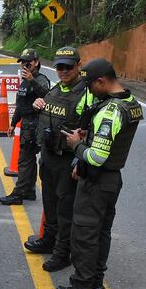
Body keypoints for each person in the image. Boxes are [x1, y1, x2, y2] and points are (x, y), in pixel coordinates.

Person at [55, 59, 143, 289]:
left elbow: (97, 157)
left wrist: (76, 145)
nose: (90, 92)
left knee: (84, 233)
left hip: (97, 181)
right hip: (112, 180)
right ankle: (95, 279)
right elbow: (111, 140)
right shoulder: (130, 102)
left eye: (91, 86)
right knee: (101, 231)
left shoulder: (110, 111)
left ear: (101, 81)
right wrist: (89, 135)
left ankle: (81, 287)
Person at [23, 47, 95, 272]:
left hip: (67, 159)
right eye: (59, 67)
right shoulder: (56, 88)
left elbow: (91, 131)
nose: (63, 71)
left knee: (65, 209)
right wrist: (38, 105)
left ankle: (63, 253)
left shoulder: (86, 94)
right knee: (50, 203)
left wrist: (80, 160)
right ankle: (49, 240)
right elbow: (49, 114)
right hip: (49, 156)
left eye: (68, 67)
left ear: (78, 66)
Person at [0, 48, 50, 205]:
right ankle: (29, 190)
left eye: (28, 63)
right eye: (23, 63)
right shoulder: (23, 82)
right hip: (25, 125)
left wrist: (32, 80)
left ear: (36, 62)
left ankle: (19, 193)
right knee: (28, 160)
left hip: (35, 126)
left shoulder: (41, 79)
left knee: (24, 160)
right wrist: (13, 123)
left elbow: (47, 95)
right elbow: (20, 105)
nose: (25, 66)